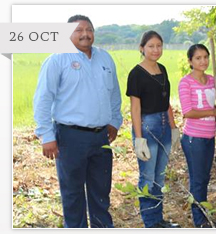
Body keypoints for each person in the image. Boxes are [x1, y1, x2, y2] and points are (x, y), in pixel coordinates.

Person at [33, 14, 122, 228]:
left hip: (101, 138)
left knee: (101, 191)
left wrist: (114, 122)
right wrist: (46, 135)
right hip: (70, 137)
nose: (85, 34)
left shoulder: (105, 58)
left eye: (89, 29)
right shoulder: (57, 59)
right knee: (73, 194)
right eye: (78, 30)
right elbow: (43, 98)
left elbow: (114, 95)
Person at [126, 30, 180, 228]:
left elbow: (166, 102)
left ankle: (159, 219)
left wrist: (174, 128)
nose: (156, 50)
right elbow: (135, 107)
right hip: (147, 126)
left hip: (165, 125)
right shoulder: (136, 74)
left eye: (159, 45)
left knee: (159, 176)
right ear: (142, 48)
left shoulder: (163, 69)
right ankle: (150, 223)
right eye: (151, 46)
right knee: (147, 176)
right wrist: (138, 138)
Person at [179, 44, 216, 228]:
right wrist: (213, 112)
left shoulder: (213, 80)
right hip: (193, 139)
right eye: (198, 58)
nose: (203, 61)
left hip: (209, 136)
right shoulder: (185, 82)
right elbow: (188, 112)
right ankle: (200, 222)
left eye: (205, 57)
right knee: (197, 180)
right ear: (190, 61)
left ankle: (205, 216)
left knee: (205, 177)